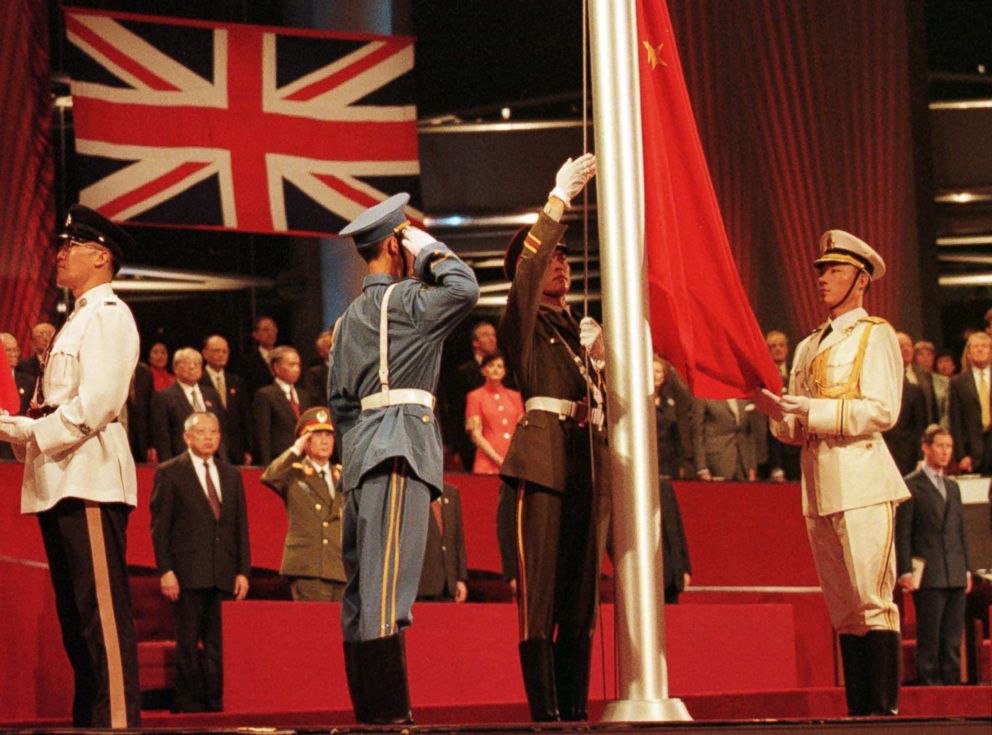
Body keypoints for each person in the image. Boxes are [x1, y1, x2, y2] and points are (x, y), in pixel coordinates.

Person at [329, 193, 478, 723]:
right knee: (388, 592)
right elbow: (465, 289)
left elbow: (340, 403)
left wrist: (362, 444)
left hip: (364, 452)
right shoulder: (410, 301)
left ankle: (371, 717)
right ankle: (390, 721)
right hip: (400, 451)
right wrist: (429, 249)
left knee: (363, 593)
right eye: (406, 235)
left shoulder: (346, 321)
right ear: (396, 242)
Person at [0, 204, 141, 727]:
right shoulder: (76, 320)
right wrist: (16, 427)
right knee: (77, 618)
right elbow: (54, 408)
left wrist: (34, 430)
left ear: (100, 256)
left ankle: (118, 723)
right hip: (62, 476)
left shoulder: (108, 315)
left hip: (92, 478)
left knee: (100, 616)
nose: (59, 255)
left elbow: (97, 403)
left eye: (71, 246)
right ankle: (93, 719)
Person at [759, 229, 908, 716]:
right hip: (819, 482)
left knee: (872, 600)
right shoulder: (805, 347)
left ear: (861, 280)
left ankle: (882, 713)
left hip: (863, 476)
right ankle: (859, 712)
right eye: (821, 270)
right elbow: (793, 430)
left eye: (835, 270)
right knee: (844, 610)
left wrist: (816, 411)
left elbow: (883, 410)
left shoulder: (875, 334)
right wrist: (774, 410)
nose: (823, 278)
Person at [498, 154, 607, 722]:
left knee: (580, 603)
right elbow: (526, 274)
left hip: (587, 468)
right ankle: (546, 718)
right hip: (540, 465)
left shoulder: (578, 333)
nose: (559, 264)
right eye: (550, 258)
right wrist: (556, 201)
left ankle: (574, 714)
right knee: (538, 602)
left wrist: (604, 362)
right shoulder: (522, 322)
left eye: (566, 257)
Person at [150, 411, 250, 712]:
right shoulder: (170, 472)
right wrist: (166, 570)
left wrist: (243, 570)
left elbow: (240, 527)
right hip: (186, 574)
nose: (208, 436)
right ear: (186, 437)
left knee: (218, 646)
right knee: (188, 644)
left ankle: (216, 703)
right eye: (201, 431)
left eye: (213, 431)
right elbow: (160, 527)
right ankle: (188, 705)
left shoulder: (231, 474)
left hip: (223, 572)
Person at [896, 425, 972, 685]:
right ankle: (931, 693)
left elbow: (960, 531)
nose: (945, 451)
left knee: (952, 641)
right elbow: (903, 533)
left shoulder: (953, 487)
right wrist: (904, 570)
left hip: (955, 573)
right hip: (929, 575)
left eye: (949, 446)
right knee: (929, 640)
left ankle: (952, 693)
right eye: (940, 446)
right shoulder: (911, 484)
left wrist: (967, 569)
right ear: (926, 447)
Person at [260, 406, 346, 601]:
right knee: (313, 627)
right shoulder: (293, 474)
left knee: (340, 629)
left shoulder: (341, 475)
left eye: (328, 435)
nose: (324, 440)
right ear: (305, 440)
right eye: (316, 435)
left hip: (338, 566)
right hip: (308, 566)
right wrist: (295, 449)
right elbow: (269, 476)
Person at [150, 347, 226, 462]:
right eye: (186, 363)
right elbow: (163, 437)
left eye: (196, 363)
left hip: (214, 459)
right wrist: (168, 464)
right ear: (175, 368)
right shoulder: (164, 397)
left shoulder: (212, 395)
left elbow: (222, 428)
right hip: (182, 461)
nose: (192, 367)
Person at [447, 321, 503, 470]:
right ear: (475, 343)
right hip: (472, 446)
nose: (492, 339)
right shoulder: (463, 373)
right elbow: (456, 413)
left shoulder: (507, 373)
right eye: (486, 335)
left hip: (502, 444)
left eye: (493, 335)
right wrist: (456, 448)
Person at [252, 346, 315, 464]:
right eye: (291, 365)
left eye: (298, 365)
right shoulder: (266, 394)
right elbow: (263, 435)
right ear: (276, 367)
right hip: (279, 459)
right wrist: (266, 466)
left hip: (304, 459)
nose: (297, 369)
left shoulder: (303, 395)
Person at [465, 351, 524, 474]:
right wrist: (499, 460)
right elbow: (476, 435)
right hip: (486, 461)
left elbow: (521, 430)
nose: (496, 370)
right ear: (483, 371)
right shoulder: (475, 396)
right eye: (491, 366)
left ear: (504, 371)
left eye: (499, 366)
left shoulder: (515, 396)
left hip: (513, 458)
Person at [201, 335, 252, 465]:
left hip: (236, 448)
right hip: (208, 447)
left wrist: (248, 449)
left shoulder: (236, 381)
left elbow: (244, 417)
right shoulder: (198, 380)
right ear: (205, 354)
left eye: (225, 351)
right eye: (217, 351)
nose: (221, 355)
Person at [416, 482, 469, 603]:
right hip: (422, 586)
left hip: (449, 585)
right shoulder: (414, 493)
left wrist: (460, 579)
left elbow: (458, 540)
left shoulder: (451, 493)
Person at [948, 331, 992, 475]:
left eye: (984, 346)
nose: (980, 349)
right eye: (976, 346)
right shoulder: (957, 382)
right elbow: (955, 421)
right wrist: (961, 455)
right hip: (972, 453)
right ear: (969, 352)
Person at [763, 331, 801, 481]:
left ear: (787, 348)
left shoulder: (796, 373)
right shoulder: (762, 376)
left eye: (781, 345)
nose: (778, 349)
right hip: (770, 448)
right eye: (773, 346)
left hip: (795, 447)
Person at [659, 478, 691, 604]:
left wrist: (685, 567)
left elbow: (678, 529)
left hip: (671, 576)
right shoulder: (628, 490)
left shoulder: (665, 487)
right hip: (645, 577)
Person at [240, 316, 278, 399]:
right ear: (255, 335)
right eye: (265, 330)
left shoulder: (283, 356)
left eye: (273, 329)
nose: (270, 333)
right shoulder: (248, 361)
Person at [916, 340, 950, 428]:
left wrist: (940, 429)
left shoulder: (944, 381)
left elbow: (947, 410)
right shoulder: (912, 380)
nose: (925, 357)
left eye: (929, 354)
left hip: (940, 428)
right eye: (921, 354)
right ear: (915, 357)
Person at [301, 329, 333, 407]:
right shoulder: (314, 373)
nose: (334, 348)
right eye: (330, 346)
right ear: (321, 352)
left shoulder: (350, 369)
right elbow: (316, 399)